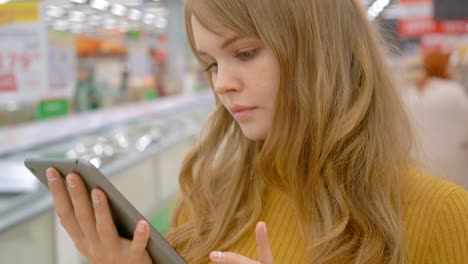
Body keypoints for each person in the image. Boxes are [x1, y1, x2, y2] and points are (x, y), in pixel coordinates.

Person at [45, 0, 468, 263]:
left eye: (244, 53)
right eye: (211, 63)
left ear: (321, 52)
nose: (221, 82)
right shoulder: (211, 203)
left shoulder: (442, 216)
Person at [402, 50, 468, 188]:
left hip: (422, 164)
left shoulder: (412, 93)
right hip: (453, 164)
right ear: (442, 66)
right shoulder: (454, 91)